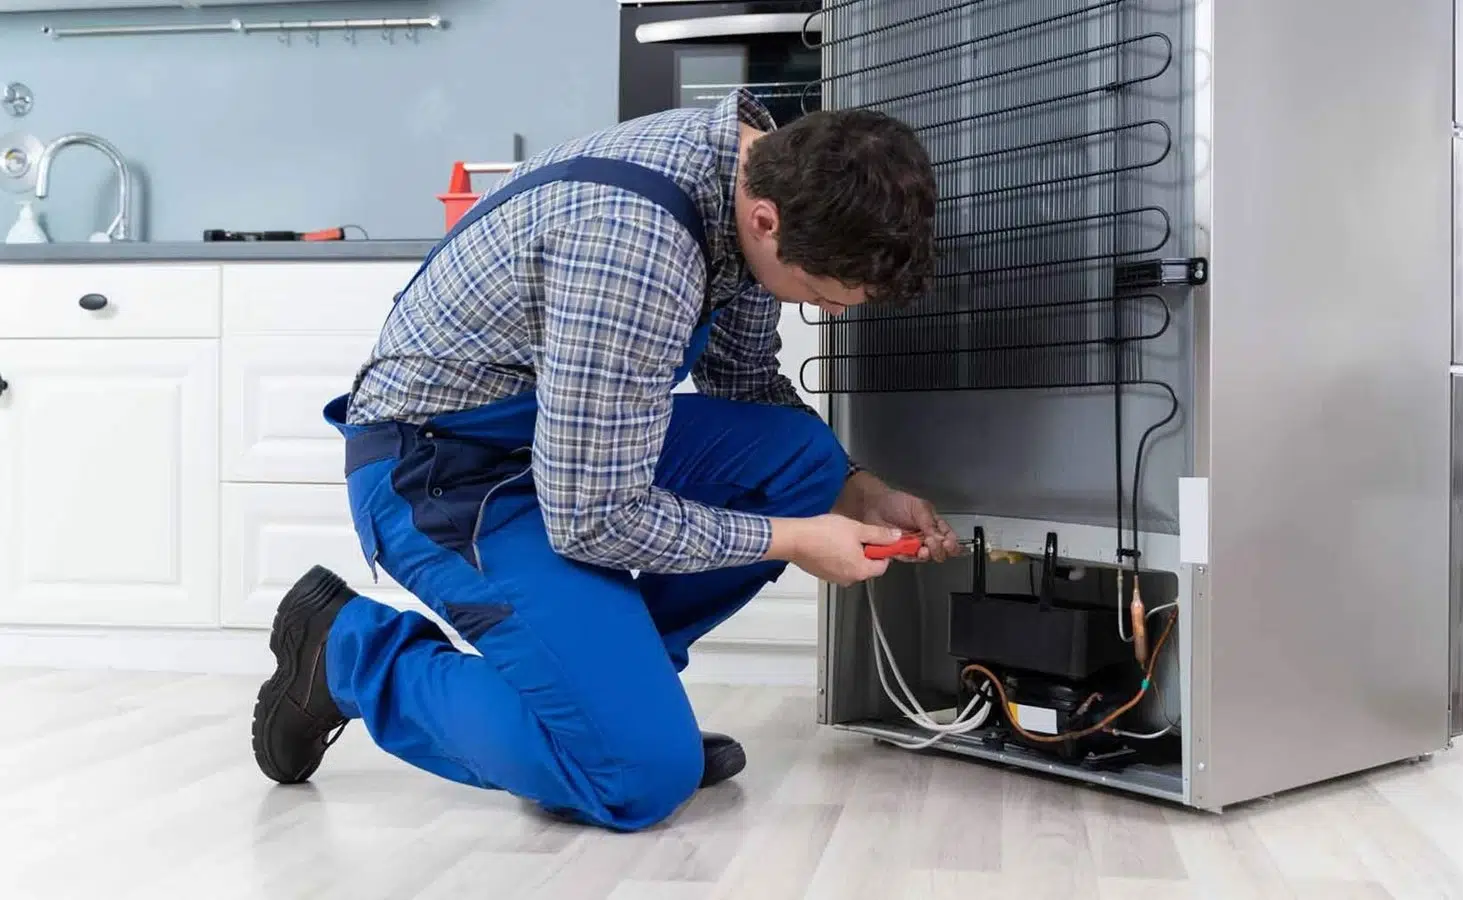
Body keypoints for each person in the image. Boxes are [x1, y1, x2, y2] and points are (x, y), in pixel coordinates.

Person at [248, 89, 958, 832]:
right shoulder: (635, 248)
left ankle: (608, 699)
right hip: (444, 471)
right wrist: (798, 540)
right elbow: (594, 519)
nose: (833, 313)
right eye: (821, 296)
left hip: (562, 450)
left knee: (802, 466)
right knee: (638, 776)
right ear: (765, 222)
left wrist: (855, 490)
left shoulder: (758, 170)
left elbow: (744, 385)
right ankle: (350, 656)